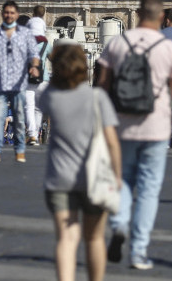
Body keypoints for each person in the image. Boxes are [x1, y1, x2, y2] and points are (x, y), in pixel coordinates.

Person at [96, 0, 172, 270]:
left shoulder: (117, 43)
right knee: (149, 190)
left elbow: (102, 86)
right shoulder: (169, 48)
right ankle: (138, 252)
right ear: (162, 17)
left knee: (122, 180)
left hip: (121, 125)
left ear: (137, 13)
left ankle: (118, 225)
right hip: (157, 128)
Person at [38, 42, 121, 281]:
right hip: (94, 179)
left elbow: (43, 101)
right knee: (94, 238)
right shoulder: (98, 98)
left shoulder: (49, 96)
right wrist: (117, 176)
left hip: (59, 180)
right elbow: (112, 142)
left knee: (66, 238)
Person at [0, 1, 41, 163]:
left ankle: (20, 149)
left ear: (17, 15)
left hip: (19, 83)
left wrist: (34, 66)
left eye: (12, 13)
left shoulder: (25, 35)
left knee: (19, 117)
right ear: (2, 14)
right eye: (6, 12)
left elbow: (34, 53)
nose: (8, 15)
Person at [24, 5, 50, 146]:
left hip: (28, 78)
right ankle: (37, 133)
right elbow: (54, 59)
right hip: (44, 78)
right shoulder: (47, 44)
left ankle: (32, 135)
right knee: (39, 108)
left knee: (29, 106)